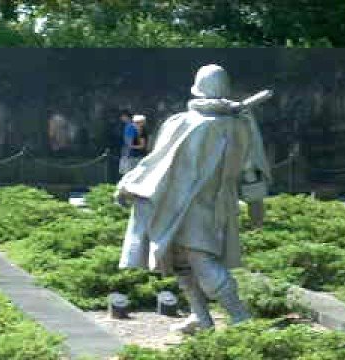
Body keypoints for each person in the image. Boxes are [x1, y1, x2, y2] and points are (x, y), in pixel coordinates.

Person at [115, 64, 272, 334]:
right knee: (181, 263)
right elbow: (253, 170)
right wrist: (256, 206)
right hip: (209, 205)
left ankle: (241, 320)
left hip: (190, 206)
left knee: (202, 262)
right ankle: (201, 317)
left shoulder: (185, 122)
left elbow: (155, 163)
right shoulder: (242, 124)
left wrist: (128, 184)